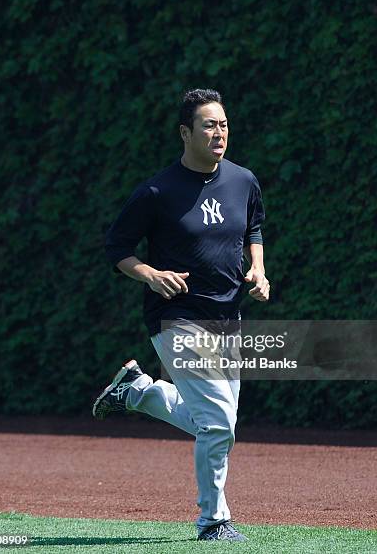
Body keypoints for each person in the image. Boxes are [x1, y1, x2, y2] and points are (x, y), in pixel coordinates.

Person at [93, 88, 270, 542]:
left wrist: (259, 270)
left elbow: (253, 227)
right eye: (209, 125)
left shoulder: (243, 180)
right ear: (185, 133)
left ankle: (139, 392)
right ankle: (214, 520)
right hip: (177, 318)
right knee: (217, 424)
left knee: (217, 422)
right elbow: (117, 248)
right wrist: (150, 274)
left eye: (224, 124)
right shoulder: (157, 191)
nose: (219, 132)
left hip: (228, 318)